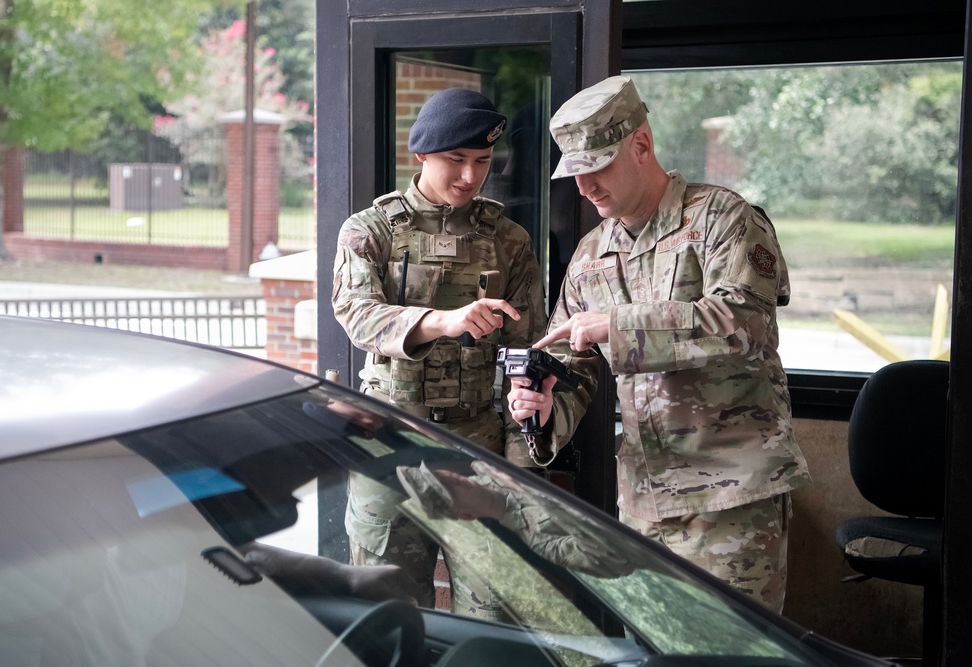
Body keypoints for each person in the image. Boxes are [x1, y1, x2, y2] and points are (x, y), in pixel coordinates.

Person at [505, 75, 812, 613]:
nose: (583, 187)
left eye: (596, 167)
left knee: (730, 657)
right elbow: (570, 360)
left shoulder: (724, 219)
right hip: (644, 501)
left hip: (730, 497)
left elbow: (745, 323)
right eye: (575, 173)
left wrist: (618, 326)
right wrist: (546, 401)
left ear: (641, 146)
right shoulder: (589, 255)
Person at [332, 87, 547, 618]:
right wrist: (440, 321)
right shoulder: (370, 230)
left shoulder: (509, 239)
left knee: (495, 613)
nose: (470, 177)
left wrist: (522, 472)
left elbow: (529, 353)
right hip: (390, 442)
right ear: (422, 154)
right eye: (456, 160)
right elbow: (356, 313)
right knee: (384, 612)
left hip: (477, 446)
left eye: (481, 161)